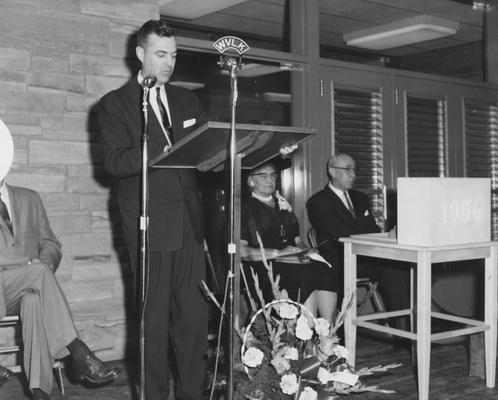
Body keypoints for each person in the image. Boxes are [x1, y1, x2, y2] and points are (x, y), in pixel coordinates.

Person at [98, 19, 208, 400]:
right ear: (141, 53)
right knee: (153, 326)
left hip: (190, 229)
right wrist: (159, 150)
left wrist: (252, 152)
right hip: (148, 226)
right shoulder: (114, 104)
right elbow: (113, 161)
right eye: (161, 54)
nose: (169, 63)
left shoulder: (187, 100)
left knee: (194, 322)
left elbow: (207, 154)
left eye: (174, 55)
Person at [0, 177, 120, 400]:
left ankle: (40, 391)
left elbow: (50, 243)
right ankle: (78, 352)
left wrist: (43, 263)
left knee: (34, 300)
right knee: (38, 273)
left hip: (29, 286)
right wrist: (30, 268)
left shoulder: (29, 198)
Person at [306, 152, 410, 332]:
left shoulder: (360, 198)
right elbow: (339, 233)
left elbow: (373, 230)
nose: (353, 175)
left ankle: (405, 334)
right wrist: (365, 230)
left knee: (399, 269)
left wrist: (387, 234)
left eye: (354, 170)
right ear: (332, 171)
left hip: (365, 256)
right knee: (395, 271)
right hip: (338, 260)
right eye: (347, 170)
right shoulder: (318, 201)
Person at [241, 161, 336, 323]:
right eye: (263, 176)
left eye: (273, 175)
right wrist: (280, 253)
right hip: (262, 266)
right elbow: (243, 252)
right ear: (251, 181)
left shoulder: (283, 205)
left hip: (292, 260)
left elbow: (297, 240)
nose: (269, 180)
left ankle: (327, 334)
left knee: (324, 270)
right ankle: (308, 335)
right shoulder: (244, 209)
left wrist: (307, 251)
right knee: (305, 275)